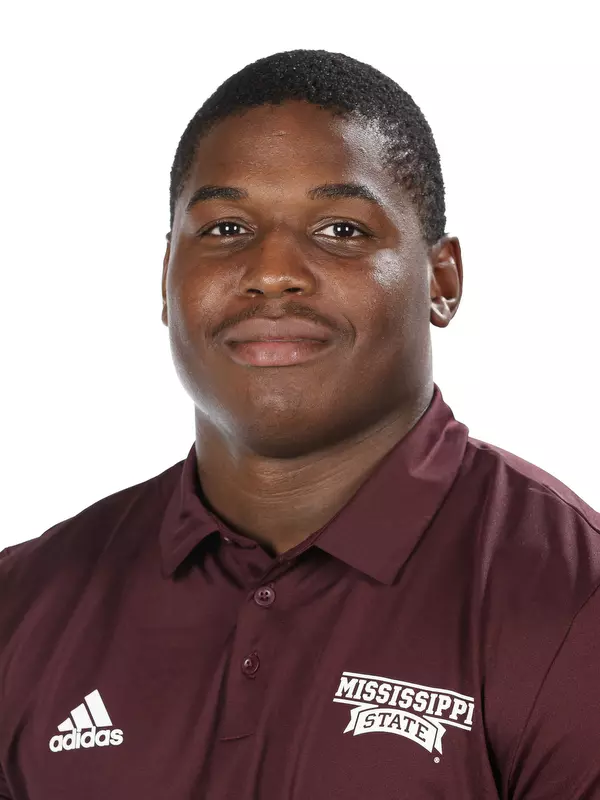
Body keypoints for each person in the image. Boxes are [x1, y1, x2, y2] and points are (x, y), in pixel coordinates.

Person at [1, 49, 599, 800]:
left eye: (342, 229)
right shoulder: (23, 604)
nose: (272, 270)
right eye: (224, 229)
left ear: (441, 282)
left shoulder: (574, 600)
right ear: (165, 279)